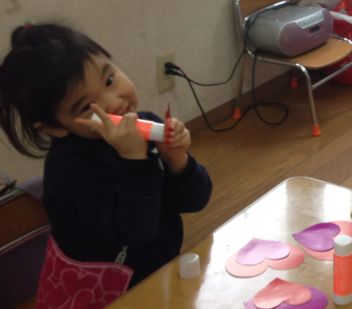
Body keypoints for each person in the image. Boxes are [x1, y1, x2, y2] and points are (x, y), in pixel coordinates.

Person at [0, 23, 212, 285]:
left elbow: (196, 201)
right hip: (105, 290)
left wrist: (178, 161)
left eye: (110, 80)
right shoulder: (71, 169)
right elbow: (135, 231)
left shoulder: (146, 125)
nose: (113, 103)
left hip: (158, 269)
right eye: (87, 108)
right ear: (55, 127)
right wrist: (135, 161)